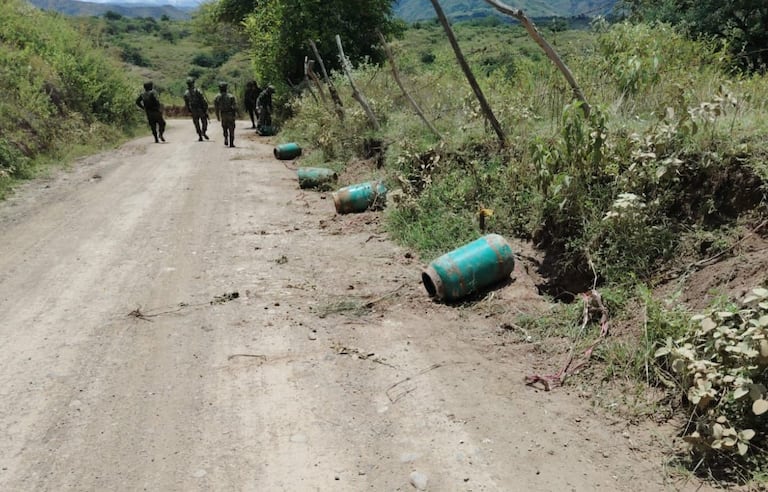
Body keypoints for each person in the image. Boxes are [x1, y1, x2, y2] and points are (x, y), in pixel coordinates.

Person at [183, 77, 209, 142]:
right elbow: (203, 100)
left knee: (196, 123)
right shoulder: (197, 90)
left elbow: (186, 104)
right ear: (193, 83)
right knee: (204, 122)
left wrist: (189, 110)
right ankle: (203, 132)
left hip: (193, 109)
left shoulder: (186, 93)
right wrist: (205, 109)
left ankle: (200, 135)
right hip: (200, 109)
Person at [213, 81, 237, 148]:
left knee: (224, 128)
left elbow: (216, 108)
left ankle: (226, 138)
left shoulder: (217, 97)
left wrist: (217, 116)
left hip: (223, 114)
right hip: (230, 114)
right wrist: (234, 114)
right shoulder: (231, 96)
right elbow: (235, 106)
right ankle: (231, 143)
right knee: (231, 128)